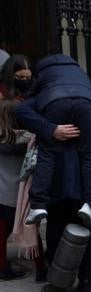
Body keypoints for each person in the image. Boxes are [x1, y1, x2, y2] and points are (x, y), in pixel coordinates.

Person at [16, 89, 91, 292]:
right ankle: (85, 279)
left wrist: (49, 129)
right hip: (85, 184)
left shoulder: (47, 100)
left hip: (57, 182)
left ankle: (59, 281)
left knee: (56, 229)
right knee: (86, 231)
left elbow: (22, 112)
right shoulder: (90, 104)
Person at [22, 54, 91, 230]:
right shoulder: (79, 73)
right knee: (90, 156)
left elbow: (24, 107)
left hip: (54, 102)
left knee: (47, 153)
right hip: (85, 104)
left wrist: (50, 129)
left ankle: (37, 205)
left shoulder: (44, 75)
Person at [0, 98, 34, 280]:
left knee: (2, 232)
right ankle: (40, 266)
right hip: (23, 194)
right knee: (30, 230)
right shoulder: (30, 139)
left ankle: (3, 266)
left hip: (1, 193)